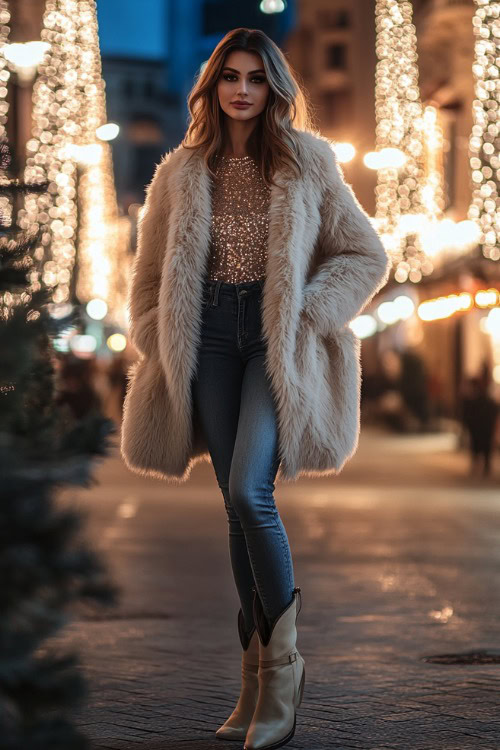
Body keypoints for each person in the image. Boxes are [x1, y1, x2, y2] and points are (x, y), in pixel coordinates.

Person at [120, 28, 391, 750]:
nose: (242, 89)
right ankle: (252, 680)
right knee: (230, 505)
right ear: (211, 88)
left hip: (274, 340)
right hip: (205, 335)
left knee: (250, 491)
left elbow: (366, 253)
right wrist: (156, 329)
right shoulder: (179, 171)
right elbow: (148, 277)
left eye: (256, 78)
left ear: (275, 88)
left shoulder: (308, 161)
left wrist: (308, 314)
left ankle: (285, 669)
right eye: (229, 77)